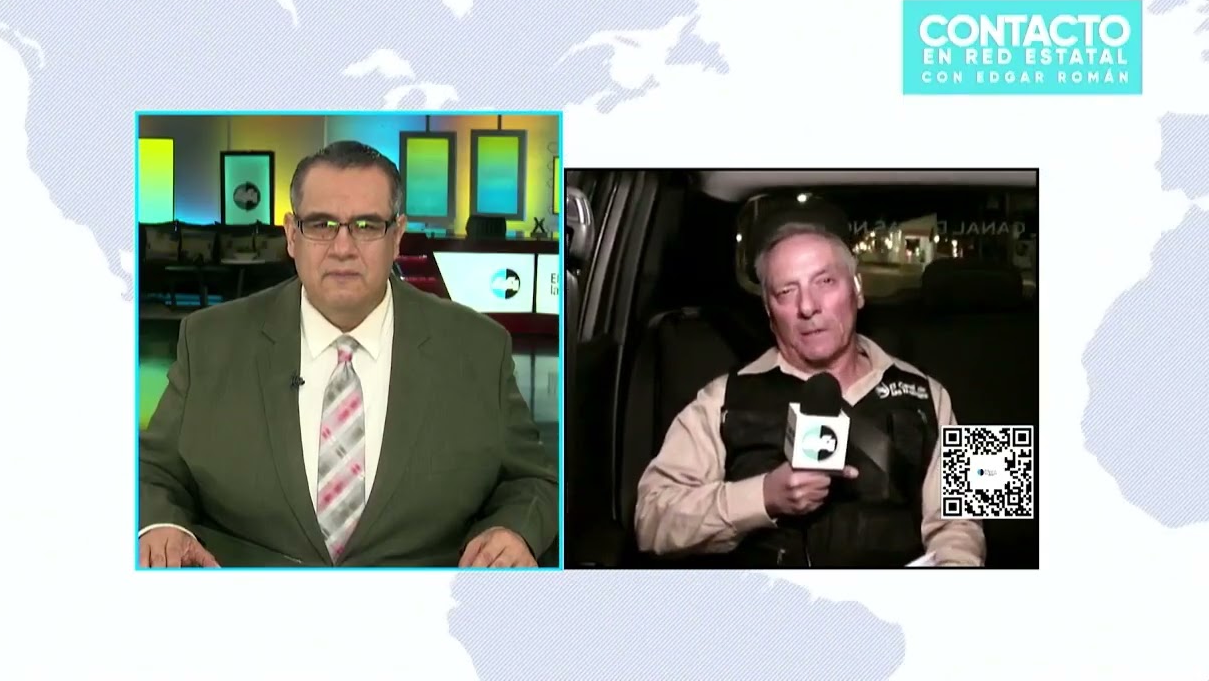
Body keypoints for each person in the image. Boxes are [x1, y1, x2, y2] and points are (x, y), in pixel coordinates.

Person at [138, 141, 559, 568]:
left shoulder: (477, 347)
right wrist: (161, 526)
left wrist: (513, 531)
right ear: (291, 235)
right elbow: (152, 471)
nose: (342, 248)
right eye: (321, 225)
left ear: (397, 236)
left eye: (366, 225)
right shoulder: (211, 340)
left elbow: (532, 480)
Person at [633, 221, 984, 567]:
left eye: (825, 282)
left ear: (858, 290)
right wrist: (763, 496)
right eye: (786, 291)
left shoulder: (931, 392)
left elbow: (963, 525)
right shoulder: (720, 399)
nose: (807, 306)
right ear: (769, 311)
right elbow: (650, 522)